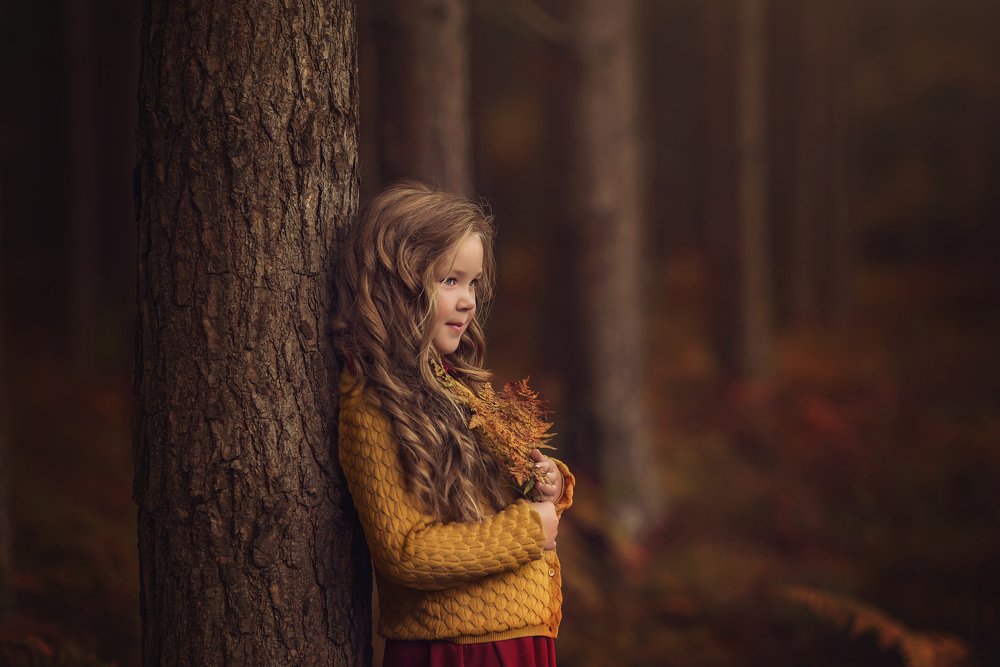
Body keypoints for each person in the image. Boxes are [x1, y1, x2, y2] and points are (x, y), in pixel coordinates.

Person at [333, 180, 575, 666]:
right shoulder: (373, 405)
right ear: (398, 286)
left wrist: (544, 484)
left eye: (473, 283)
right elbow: (405, 551)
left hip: (511, 639)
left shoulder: (455, 383)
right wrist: (528, 530)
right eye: (449, 281)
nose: (468, 301)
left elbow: (484, 501)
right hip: (457, 651)